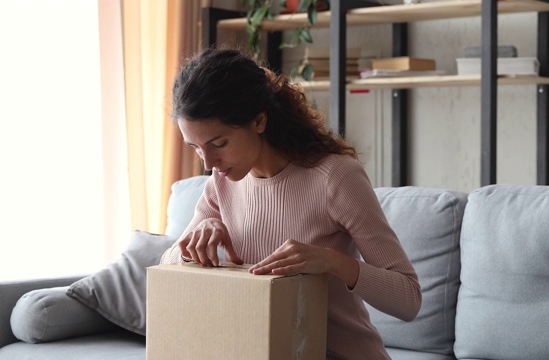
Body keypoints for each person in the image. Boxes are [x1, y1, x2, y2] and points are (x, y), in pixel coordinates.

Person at [160, 48, 421, 360]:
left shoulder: (335, 178)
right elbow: (167, 268)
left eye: (219, 144)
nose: (209, 163)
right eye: (195, 148)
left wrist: (333, 262)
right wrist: (195, 237)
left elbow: (409, 300)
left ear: (258, 121)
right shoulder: (221, 184)